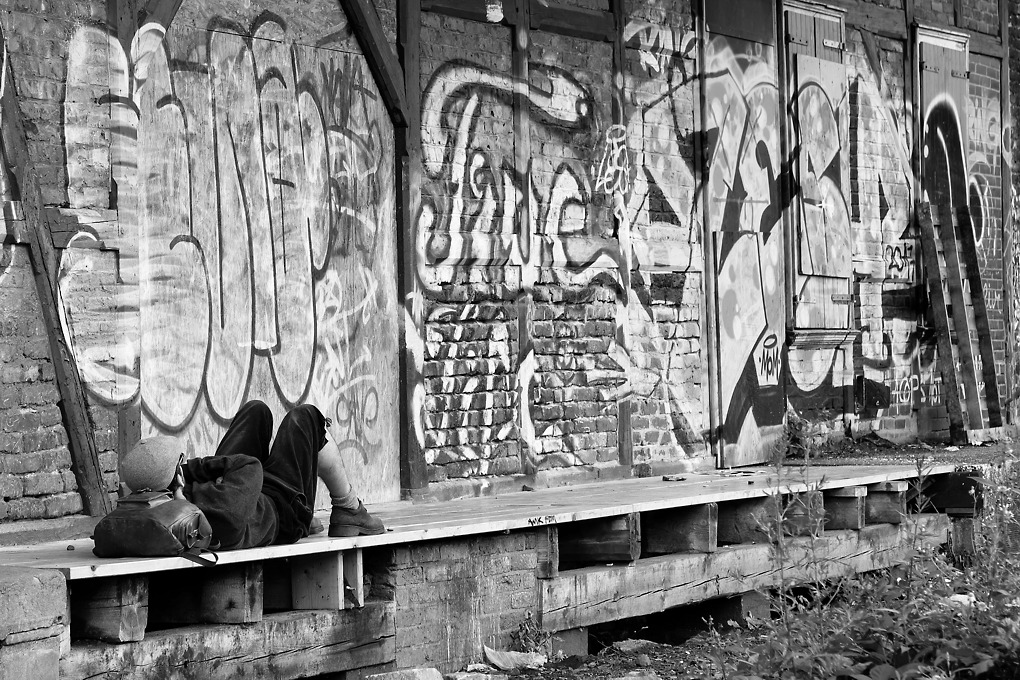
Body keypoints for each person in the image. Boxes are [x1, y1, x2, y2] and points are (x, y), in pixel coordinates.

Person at [118, 401, 384, 550]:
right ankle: (348, 507)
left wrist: (181, 482)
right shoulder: (216, 507)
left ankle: (331, 508)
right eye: (181, 463)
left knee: (256, 411)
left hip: (246, 494)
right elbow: (250, 467)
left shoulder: (166, 507)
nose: (186, 463)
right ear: (177, 475)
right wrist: (194, 470)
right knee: (304, 417)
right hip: (283, 510)